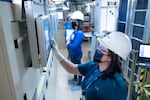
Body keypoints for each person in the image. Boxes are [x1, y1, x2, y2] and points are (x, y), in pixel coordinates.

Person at [51, 31, 132, 100]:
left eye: (102, 49)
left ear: (111, 57)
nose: (98, 49)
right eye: (99, 45)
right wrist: (57, 54)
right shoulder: (93, 66)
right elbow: (72, 68)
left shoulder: (115, 85)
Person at [67, 11, 85, 90]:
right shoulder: (75, 31)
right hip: (73, 53)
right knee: (73, 67)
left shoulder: (80, 33)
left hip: (77, 53)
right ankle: (75, 78)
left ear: (77, 22)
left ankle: (80, 83)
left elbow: (74, 46)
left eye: (73, 21)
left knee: (78, 68)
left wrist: (68, 44)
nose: (72, 22)